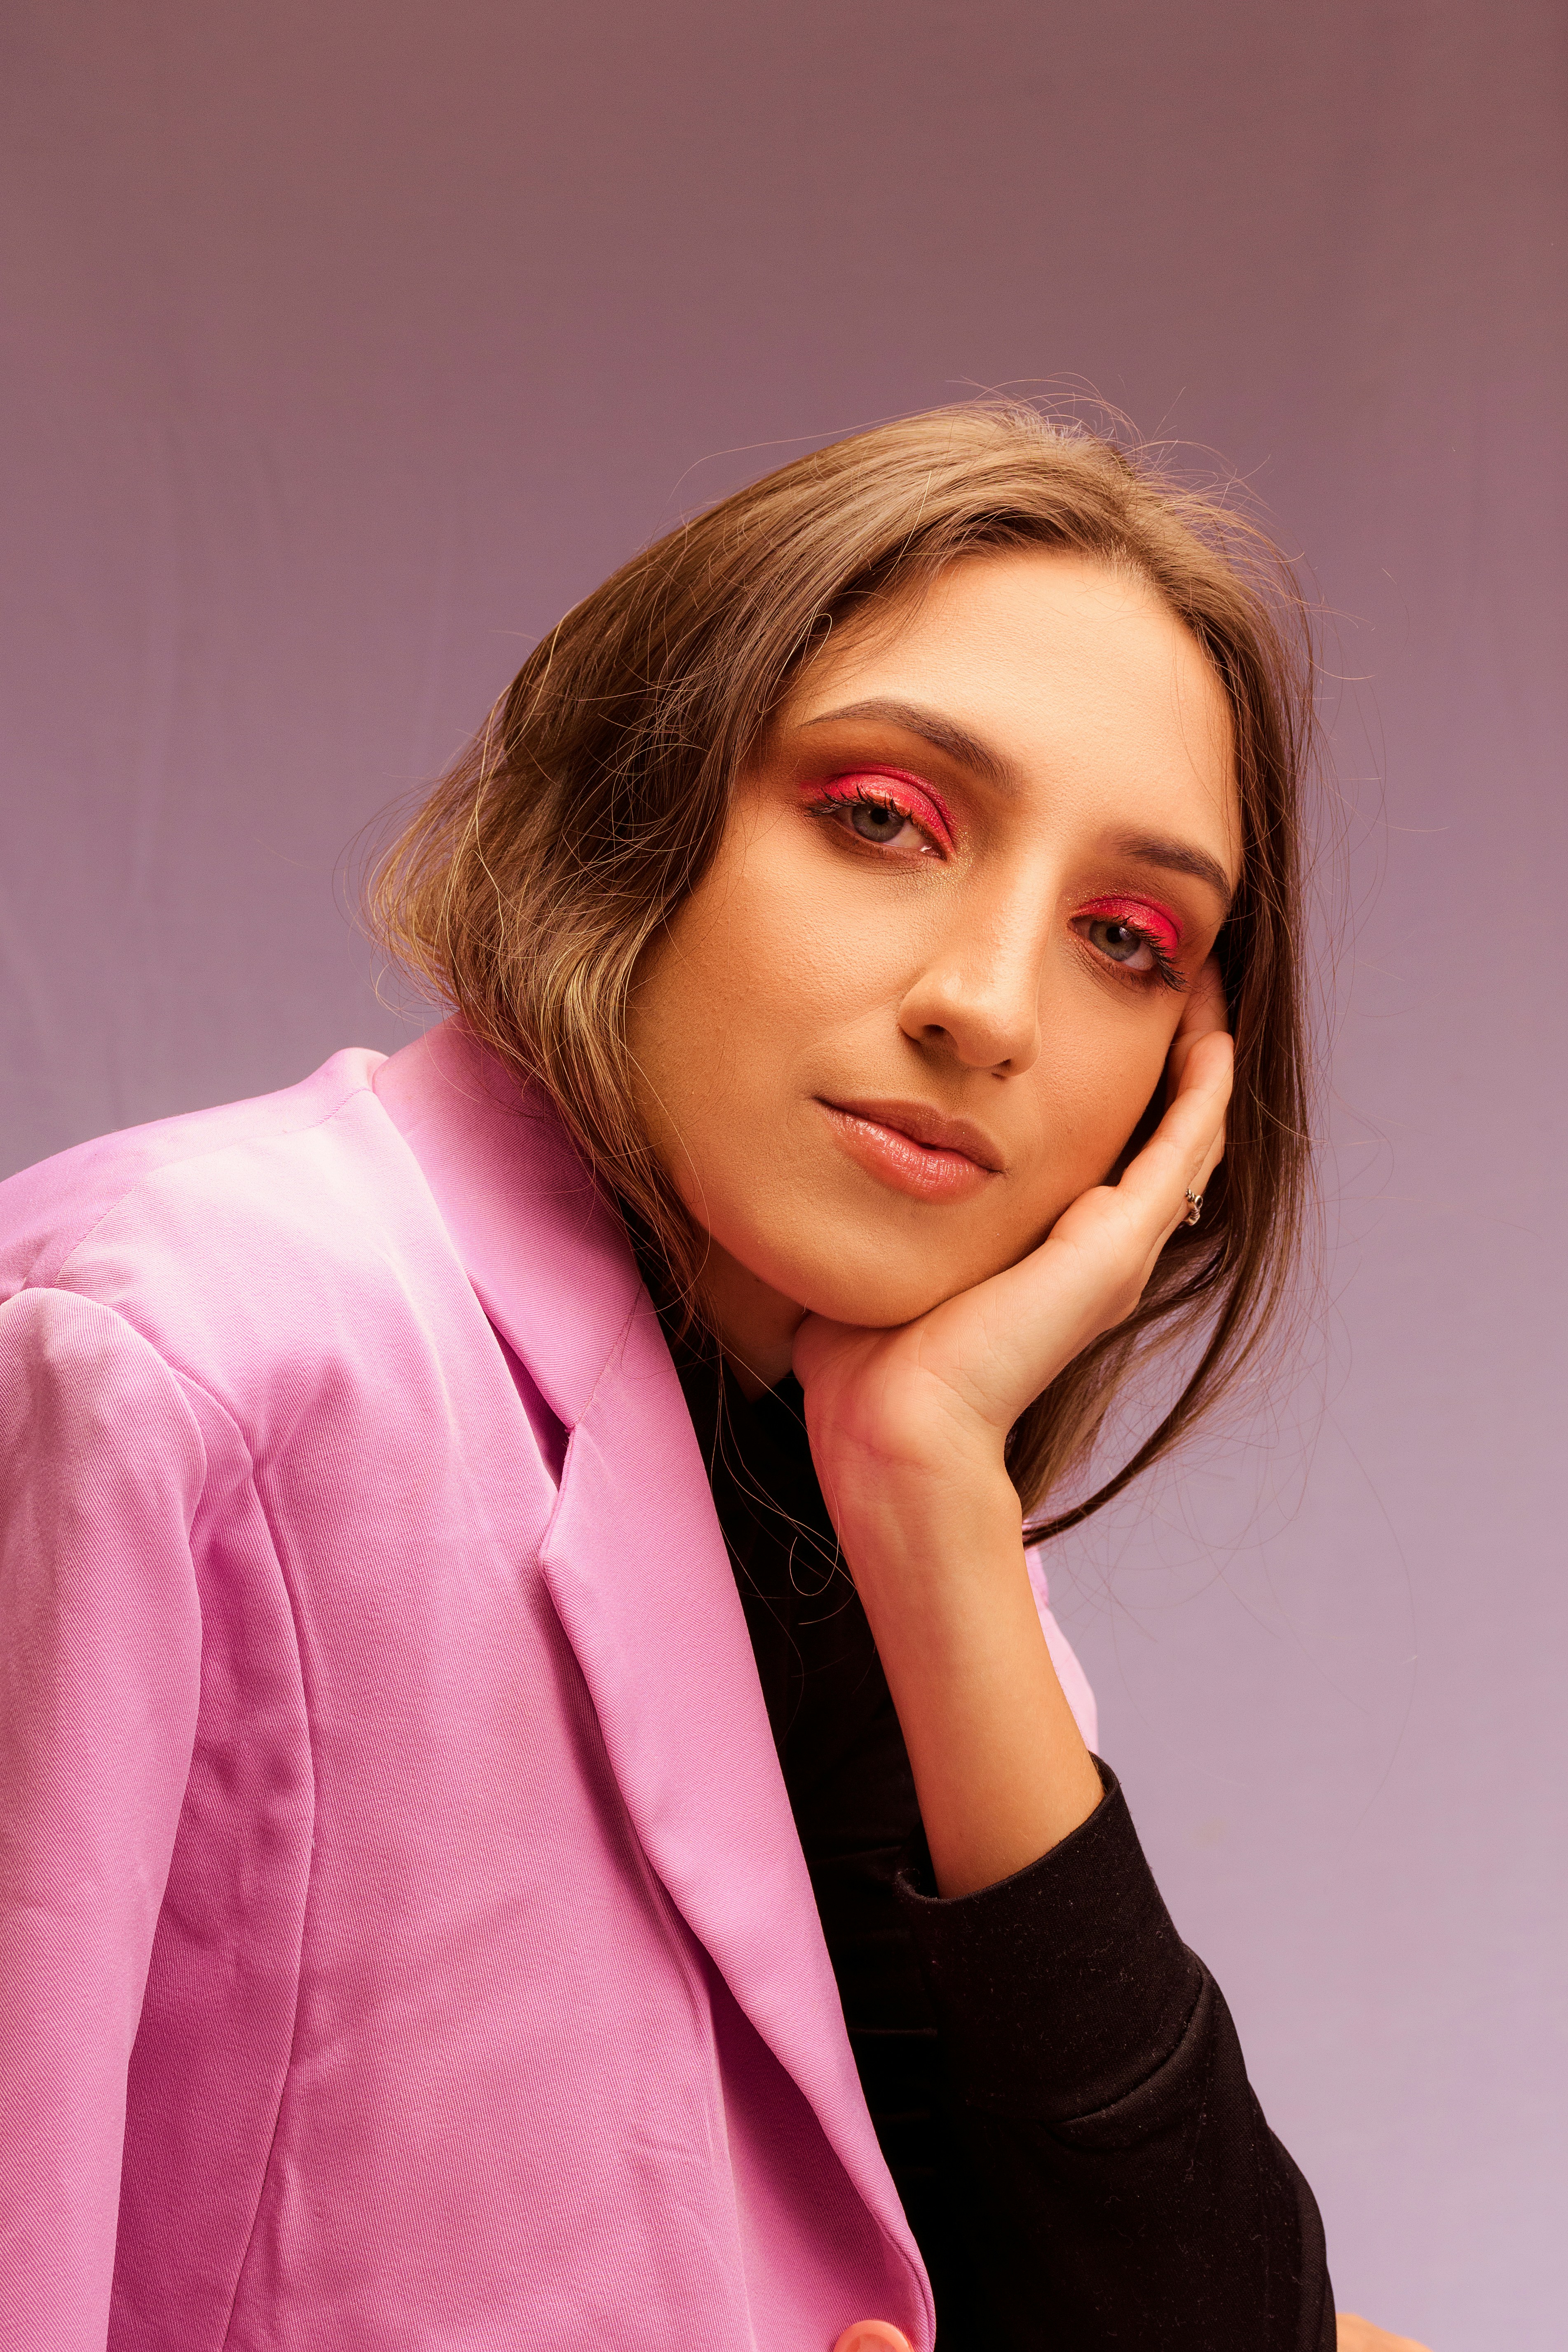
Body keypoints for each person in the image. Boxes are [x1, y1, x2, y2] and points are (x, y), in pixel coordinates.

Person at [0, 406, 1430, 2350]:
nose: (986, 1005)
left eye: (1123, 936)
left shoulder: (895, 1518)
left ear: (1190, 1070)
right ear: (637, 805)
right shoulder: (185, 1344)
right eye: (880, 819)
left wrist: (933, 1491)